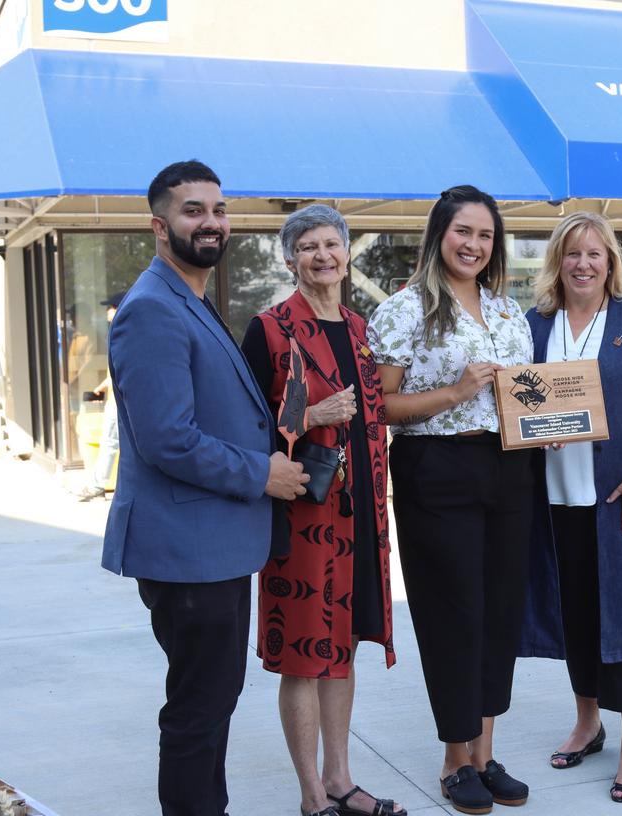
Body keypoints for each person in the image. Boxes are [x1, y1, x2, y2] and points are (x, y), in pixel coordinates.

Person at [101, 160, 309, 816]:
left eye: (218, 210)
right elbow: (167, 439)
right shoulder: (152, 311)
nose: (212, 222)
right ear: (160, 226)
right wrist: (261, 472)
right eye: (194, 211)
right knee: (199, 708)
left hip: (211, 544)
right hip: (188, 548)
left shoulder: (188, 297)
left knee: (211, 701)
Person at [367, 185, 534, 816]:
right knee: (452, 613)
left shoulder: (508, 312)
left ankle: (486, 757)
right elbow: (382, 406)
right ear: (439, 234)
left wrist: (546, 427)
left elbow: (528, 397)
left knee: (498, 612)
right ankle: (453, 760)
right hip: (437, 467)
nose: (474, 244)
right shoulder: (405, 310)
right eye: (463, 231)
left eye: (486, 235)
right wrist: (456, 392)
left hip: (510, 469)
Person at [240, 205, 404, 816]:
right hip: (304, 518)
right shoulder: (270, 328)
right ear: (290, 259)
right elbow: (244, 428)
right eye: (308, 246)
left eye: (331, 245)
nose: (322, 256)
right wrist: (310, 416)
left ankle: (341, 778)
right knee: (306, 656)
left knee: (345, 647)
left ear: (347, 253)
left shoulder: (363, 329)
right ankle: (313, 794)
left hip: (361, 515)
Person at [519, 212, 622, 804]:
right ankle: (588, 722)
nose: (583, 264)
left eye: (595, 254)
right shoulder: (535, 325)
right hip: (557, 498)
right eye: (572, 254)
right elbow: (520, 403)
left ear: (611, 261)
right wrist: (541, 429)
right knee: (577, 613)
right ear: (556, 262)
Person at [76, 290, 125, 502]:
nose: (107, 312)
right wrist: (102, 387)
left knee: (109, 442)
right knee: (112, 442)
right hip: (114, 399)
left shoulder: (122, 332)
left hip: (117, 403)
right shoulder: (116, 332)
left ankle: (97, 485)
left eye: (111, 307)